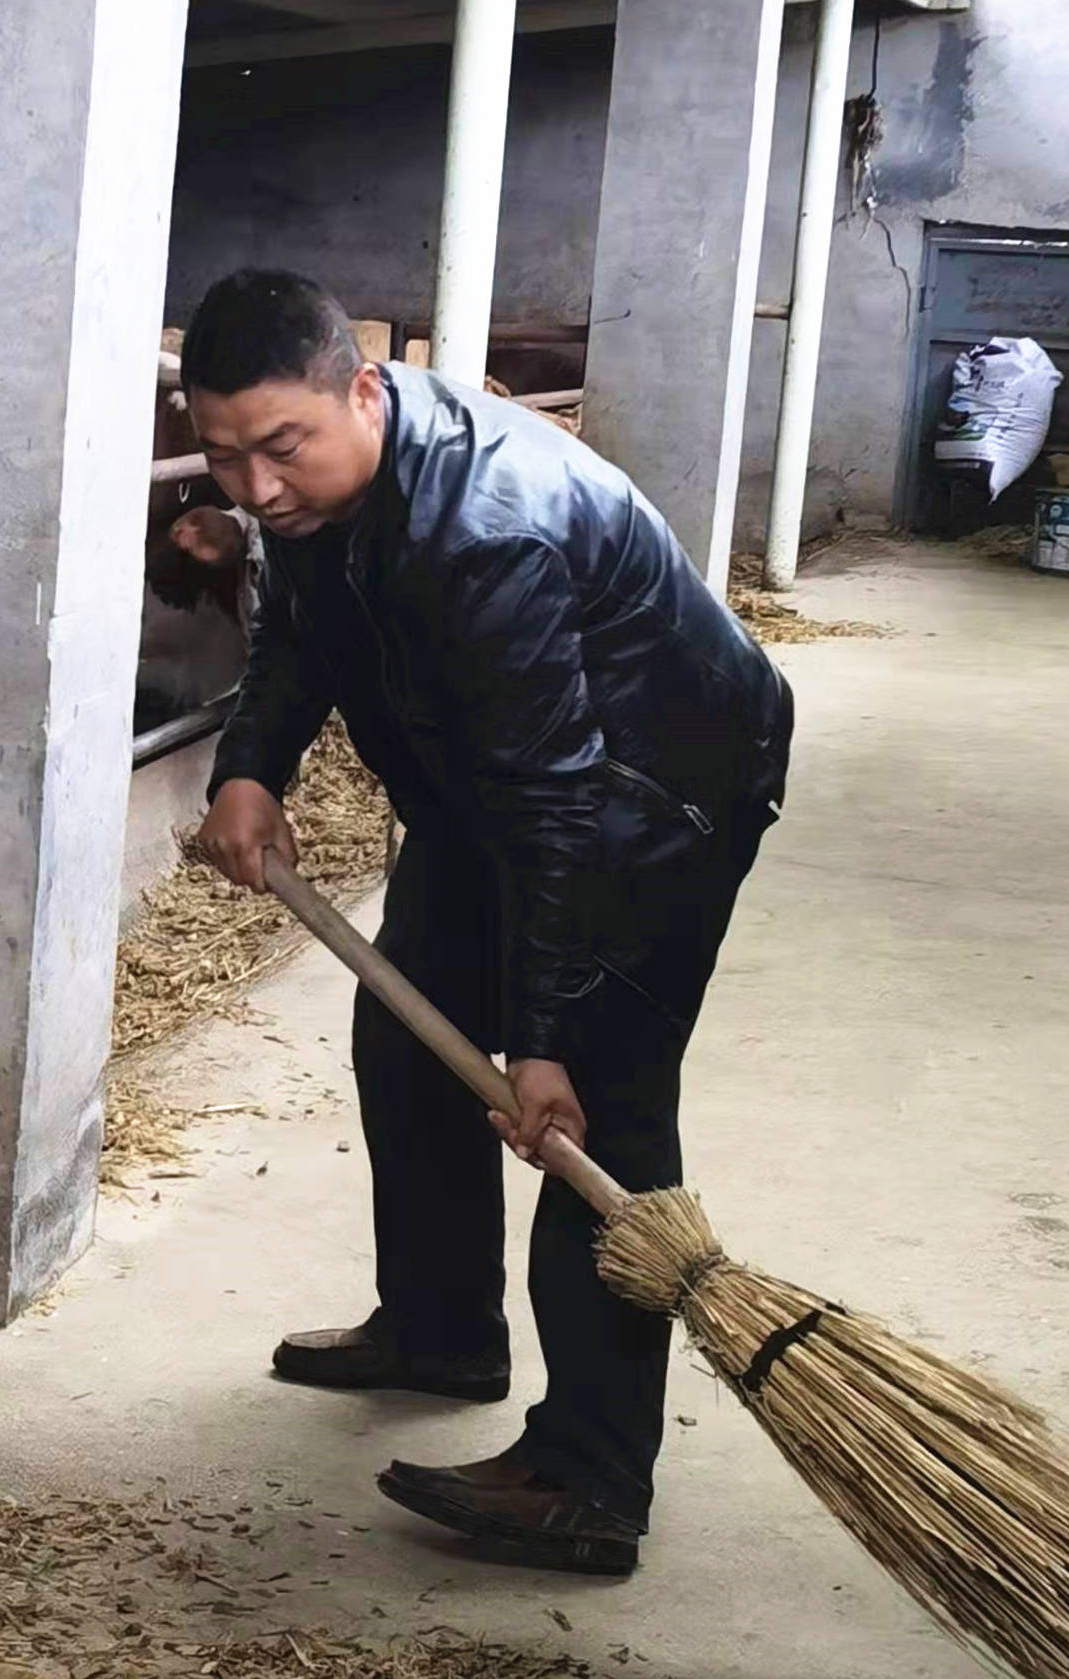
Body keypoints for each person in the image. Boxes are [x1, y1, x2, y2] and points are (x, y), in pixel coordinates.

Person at [183, 268, 793, 1577]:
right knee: (411, 1039)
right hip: (494, 774)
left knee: (597, 1118)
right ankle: (442, 1330)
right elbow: (304, 625)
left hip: (648, 793)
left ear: (364, 392)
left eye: (282, 447)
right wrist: (251, 768)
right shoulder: (317, 485)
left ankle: (590, 1475)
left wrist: (544, 1035)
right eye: (225, 456)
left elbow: (558, 804)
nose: (257, 488)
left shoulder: (487, 531)